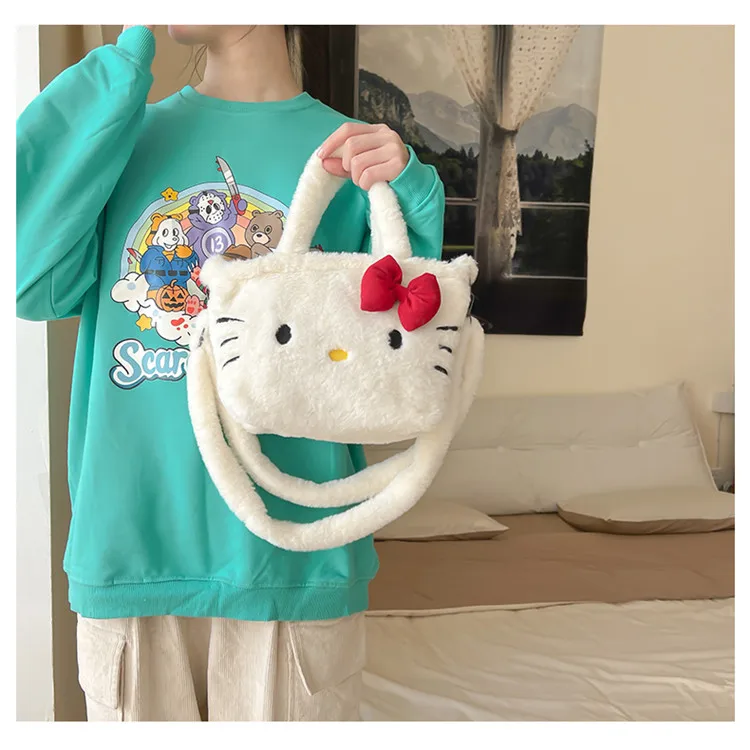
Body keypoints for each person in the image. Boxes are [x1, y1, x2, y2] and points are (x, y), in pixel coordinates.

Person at [16, 24, 445, 722]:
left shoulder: (349, 156)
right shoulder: (121, 134)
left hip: (294, 563)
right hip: (133, 551)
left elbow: (409, 355)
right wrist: (115, 73)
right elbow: (31, 280)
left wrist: (414, 193)